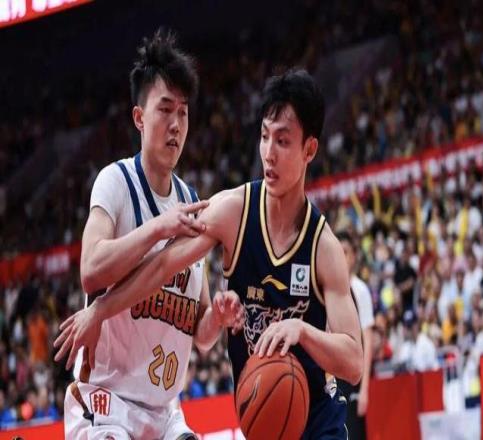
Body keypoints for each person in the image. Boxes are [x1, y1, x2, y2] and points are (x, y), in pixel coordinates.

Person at [56, 69, 363, 439]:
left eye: (283, 141)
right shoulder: (232, 211)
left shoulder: (323, 246)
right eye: (264, 136)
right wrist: (100, 309)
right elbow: (163, 265)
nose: (269, 153)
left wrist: (302, 331)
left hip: (317, 421)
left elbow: (353, 362)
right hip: (263, 421)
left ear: (309, 150)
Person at [58, 29, 244, 440]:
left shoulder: (192, 201)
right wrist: (160, 226)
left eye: (183, 113)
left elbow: (200, 335)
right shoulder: (115, 183)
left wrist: (217, 316)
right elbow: (90, 270)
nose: (176, 125)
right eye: (165, 110)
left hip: (164, 415)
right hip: (106, 403)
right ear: (139, 118)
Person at [338, 232, 374, 440]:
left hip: (354, 379)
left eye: (345, 252)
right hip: (333, 377)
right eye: (339, 252)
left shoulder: (360, 290)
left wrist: (365, 389)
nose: (342, 257)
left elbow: (367, 341)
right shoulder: (327, 288)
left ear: (353, 256)